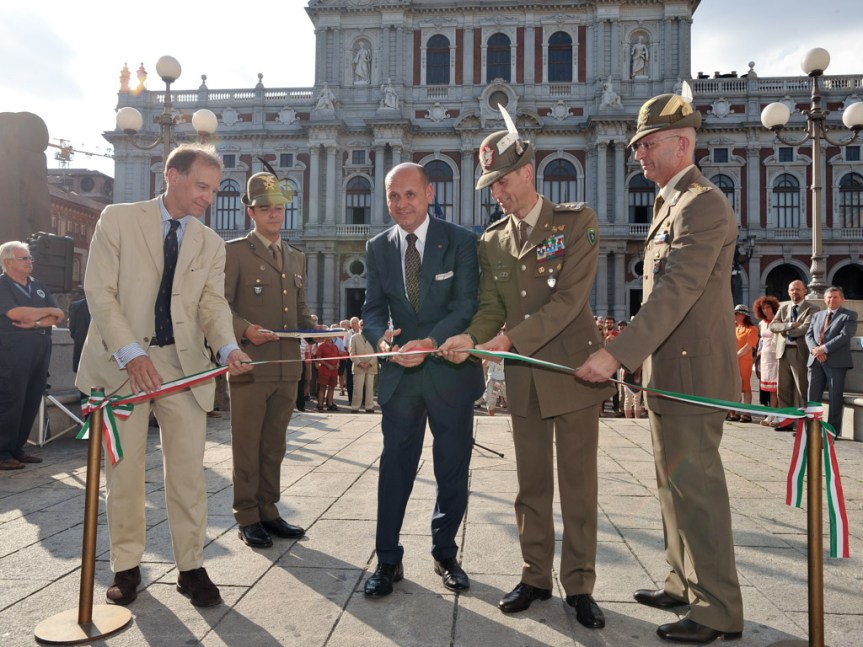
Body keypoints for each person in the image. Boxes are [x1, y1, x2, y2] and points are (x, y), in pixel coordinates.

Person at [574, 92, 744, 643]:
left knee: (698, 491)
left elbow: (675, 293)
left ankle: (717, 608)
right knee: (672, 488)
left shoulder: (703, 203)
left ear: (683, 142)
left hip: (693, 378)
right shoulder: (672, 202)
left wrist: (616, 352)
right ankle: (681, 581)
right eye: (637, 145)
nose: (639, 154)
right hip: (669, 375)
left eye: (647, 144)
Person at [439, 113, 612, 630]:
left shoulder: (577, 222)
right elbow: (492, 305)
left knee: (578, 487)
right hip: (525, 379)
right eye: (491, 186)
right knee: (530, 486)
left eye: (504, 182)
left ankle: (579, 585)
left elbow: (566, 302)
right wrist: (472, 337)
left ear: (529, 172)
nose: (498, 194)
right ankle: (535, 576)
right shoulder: (492, 241)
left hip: (575, 372)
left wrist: (508, 339)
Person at [76, 144, 253, 608]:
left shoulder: (211, 243)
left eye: (214, 190)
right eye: (201, 186)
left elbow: (211, 305)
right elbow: (100, 291)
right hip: (122, 367)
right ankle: (126, 567)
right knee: (125, 473)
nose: (209, 199)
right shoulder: (117, 219)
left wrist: (229, 346)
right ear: (171, 175)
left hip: (183, 369)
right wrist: (132, 354)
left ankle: (191, 568)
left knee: (189, 475)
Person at [361, 162, 483, 598]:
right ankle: (387, 560)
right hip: (401, 375)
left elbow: (466, 304)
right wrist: (381, 343)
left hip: (448, 371)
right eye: (394, 196)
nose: (401, 204)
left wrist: (429, 341)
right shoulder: (378, 247)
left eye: (410, 194)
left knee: (452, 469)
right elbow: (373, 309)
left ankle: (446, 552)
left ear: (429, 194)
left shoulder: (462, 242)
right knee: (394, 468)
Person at [224, 172, 315, 549]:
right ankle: (246, 515)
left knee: (274, 444)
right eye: (265, 209)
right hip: (251, 366)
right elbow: (217, 308)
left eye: (279, 208)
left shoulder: (295, 256)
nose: (274, 215)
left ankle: (268, 509)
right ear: (251, 212)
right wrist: (244, 330)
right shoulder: (234, 253)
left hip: (286, 367)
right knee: (247, 443)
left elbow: (299, 309)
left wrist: (318, 328)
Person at [0, 241, 65, 470]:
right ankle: (3, 451)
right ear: (8, 262)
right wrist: (46, 312)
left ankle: (17, 448)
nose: (29, 262)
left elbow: (58, 316)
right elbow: (15, 312)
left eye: (30, 258)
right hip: (12, 349)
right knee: (11, 399)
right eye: (24, 258)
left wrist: (34, 321)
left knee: (31, 398)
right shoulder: (3, 285)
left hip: (40, 346)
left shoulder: (39, 286)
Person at [805, 286, 858, 438]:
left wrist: (824, 349)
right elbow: (809, 335)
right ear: (824, 299)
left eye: (835, 297)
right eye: (829, 297)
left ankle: (831, 431)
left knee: (835, 396)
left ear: (842, 299)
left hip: (836, 362)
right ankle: (811, 430)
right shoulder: (817, 315)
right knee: (812, 396)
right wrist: (815, 350)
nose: (831, 300)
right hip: (815, 361)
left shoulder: (849, 315)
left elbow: (844, 336)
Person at [769, 280, 819, 431]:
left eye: (798, 289)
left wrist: (783, 329)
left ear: (805, 291)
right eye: (792, 290)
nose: (795, 292)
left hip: (800, 352)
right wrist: (789, 325)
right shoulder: (783, 308)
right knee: (783, 389)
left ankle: (804, 424)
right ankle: (786, 421)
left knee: (802, 388)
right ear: (788, 291)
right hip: (783, 352)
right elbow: (772, 326)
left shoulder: (813, 308)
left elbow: (805, 328)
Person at [753, 295, 781, 426]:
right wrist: (759, 352)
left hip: (776, 356)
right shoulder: (762, 323)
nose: (766, 310)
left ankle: (777, 414)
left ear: (773, 307)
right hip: (765, 357)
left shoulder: (778, 320)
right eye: (763, 308)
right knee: (768, 388)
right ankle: (771, 413)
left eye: (768, 307)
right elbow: (762, 340)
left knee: (777, 387)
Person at [730, 304, 758, 423]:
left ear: (744, 315)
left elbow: (748, 346)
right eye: (735, 314)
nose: (736, 316)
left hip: (744, 361)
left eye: (738, 314)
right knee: (735, 387)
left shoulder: (752, 329)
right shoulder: (734, 328)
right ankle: (735, 411)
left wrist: (735, 355)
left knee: (745, 386)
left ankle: (747, 413)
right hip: (733, 360)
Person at [349, 319, 377, 412]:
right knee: (357, 388)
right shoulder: (354, 337)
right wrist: (359, 363)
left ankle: (369, 407)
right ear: (359, 326)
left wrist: (370, 363)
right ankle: (355, 407)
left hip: (371, 366)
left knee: (370, 388)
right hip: (358, 366)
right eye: (362, 324)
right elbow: (351, 353)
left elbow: (377, 352)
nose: (364, 326)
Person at [68, 296, 90, 374]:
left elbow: (72, 329)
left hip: (82, 347)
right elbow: (72, 330)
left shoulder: (76, 305)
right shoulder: (76, 306)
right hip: (83, 349)